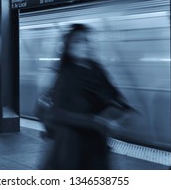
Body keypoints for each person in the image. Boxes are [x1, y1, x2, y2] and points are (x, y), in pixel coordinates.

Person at [41, 23, 134, 170]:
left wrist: (123, 110)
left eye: (86, 40)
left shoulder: (96, 68)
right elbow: (56, 113)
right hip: (72, 146)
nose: (84, 45)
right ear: (69, 47)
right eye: (78, 42)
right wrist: (95, 121)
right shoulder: (66, 74)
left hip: (96, 144)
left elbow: (111, 94)